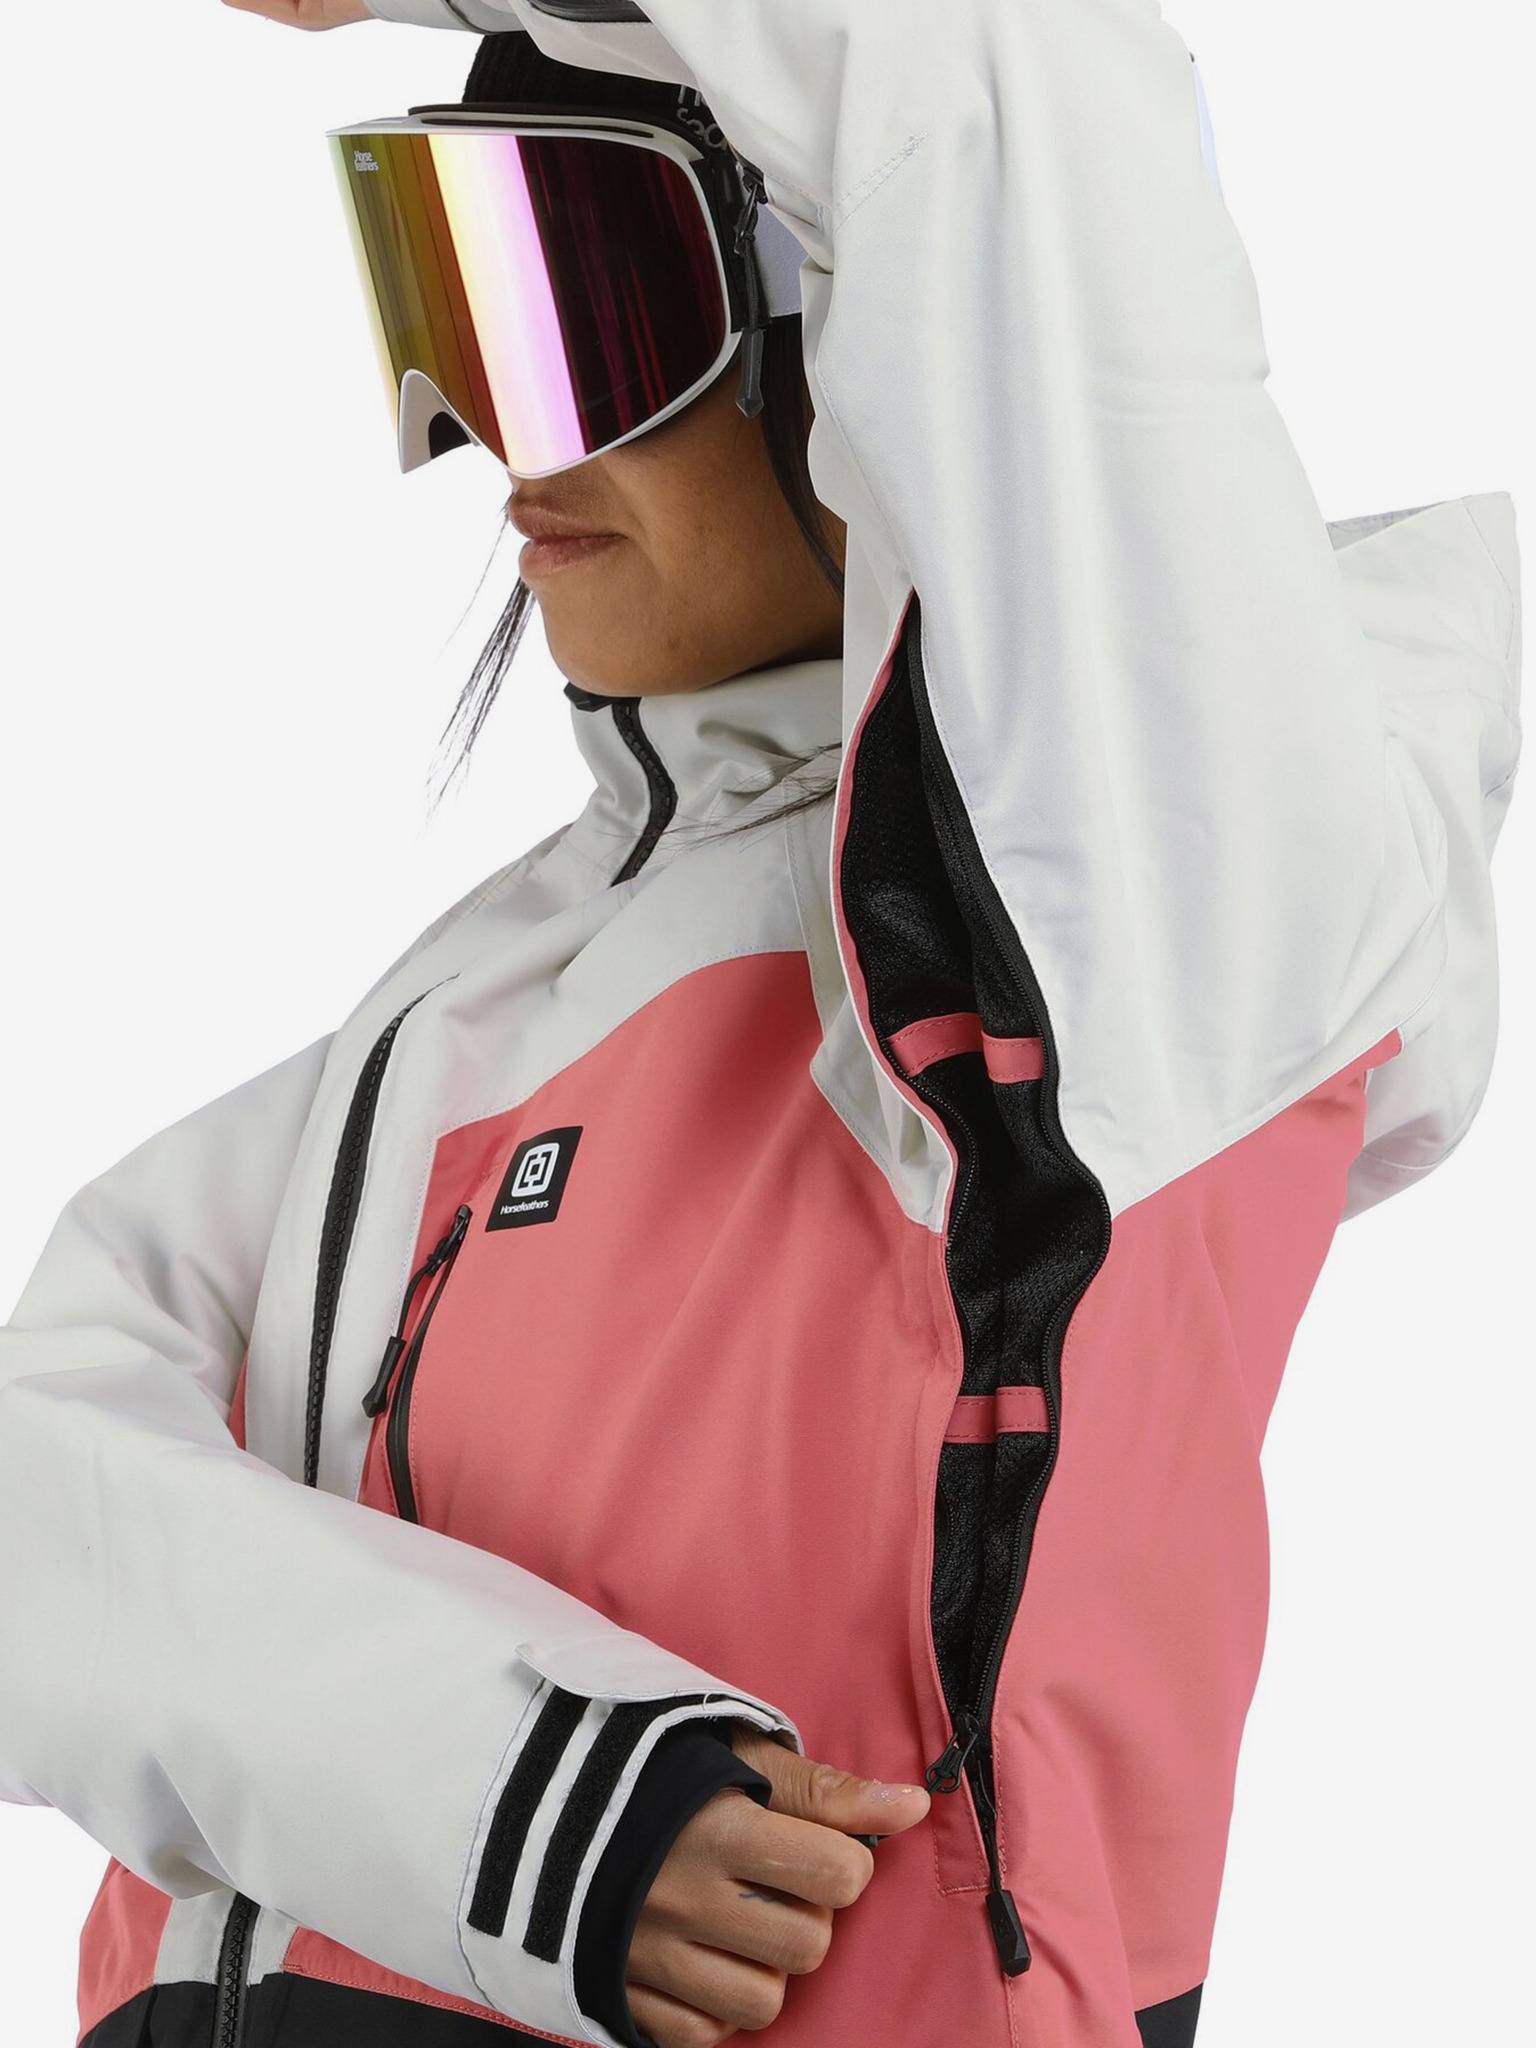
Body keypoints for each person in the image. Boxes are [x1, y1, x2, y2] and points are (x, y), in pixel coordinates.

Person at [0, 5, 1521, 2048]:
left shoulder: (1150, 913)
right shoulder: (483, 1004)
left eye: (585, 303)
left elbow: (993, 78)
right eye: (457, 294)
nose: (500, 436)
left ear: (862, 323)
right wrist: (517, 1797)